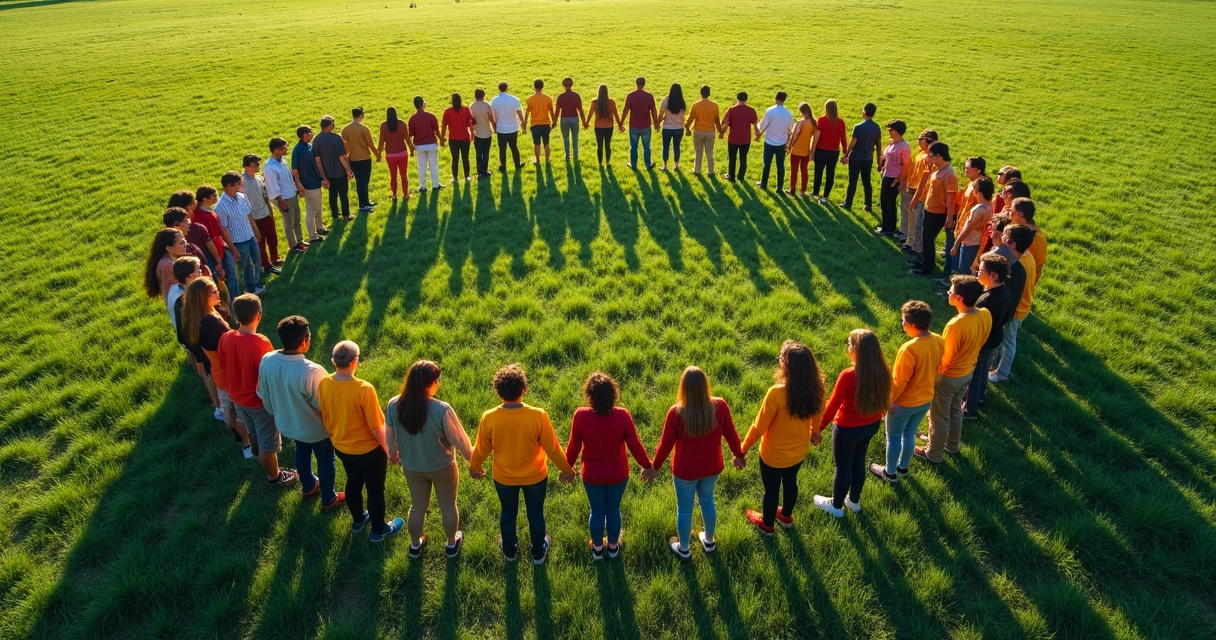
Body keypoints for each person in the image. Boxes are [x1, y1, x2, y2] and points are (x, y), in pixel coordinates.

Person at [469, 364, 575, 565]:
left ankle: (509, 551)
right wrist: (567, 470)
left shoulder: (489, 417)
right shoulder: (538, 416)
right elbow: (552, 448)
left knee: (508, 513)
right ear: (524, 389)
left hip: (503, 478)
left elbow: (481, 448)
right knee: (536, 514)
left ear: (497, 391)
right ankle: (538, 552)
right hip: (535, 476)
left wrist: (475, 466)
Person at [649, 366, 744, 559]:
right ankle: (709, 541)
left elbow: (665, 445)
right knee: (707, 501)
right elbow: (732, 435)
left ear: (683, 388)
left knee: (684, 509)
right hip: (711, 468)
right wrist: (738, 455)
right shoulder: (720, 406)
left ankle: (684, 549)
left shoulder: (676, 412)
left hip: (685, 471)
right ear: (705, 386)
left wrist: (654, 467)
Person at [385, 361, 474, 559]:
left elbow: (389, 437)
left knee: (417, 507)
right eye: (437, 381)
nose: (439, 384)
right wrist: (473, 463)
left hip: (412, 467)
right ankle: (451, 545)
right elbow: (461, 441)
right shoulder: (441, 410)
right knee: (448, 506)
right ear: (430, 384)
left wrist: (392, 453)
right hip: (442, 467)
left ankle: (415, 546)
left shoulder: (393, 404)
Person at [319, 340, 404, 543]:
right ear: (355, 361)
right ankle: (379, 530)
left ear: (333, 361)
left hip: (340, 445)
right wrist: (390, 451)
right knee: (375, 488)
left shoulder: (324, 382)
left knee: (353, 481)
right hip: (367, 451)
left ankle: (358, 521)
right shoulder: (364, 389)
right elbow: (376, 427)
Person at [258, 315, 346, 509]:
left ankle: (308, 486)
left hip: (288, 424)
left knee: (302, 451)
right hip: (316, 429)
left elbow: (262, 391)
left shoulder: (267, 359)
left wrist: (274, 412)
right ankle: (329, 498)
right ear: (305, 340)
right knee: (325, 459)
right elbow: (324, 406)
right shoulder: (313, 371)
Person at [564, 372, 652, 559]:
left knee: (596, 511)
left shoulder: (580, 416)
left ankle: (597, 549)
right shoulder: (622, 416)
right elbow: (635, 445)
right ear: (614, 395)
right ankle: (613, 548)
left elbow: (573, 447)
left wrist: (567, 469)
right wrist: (648, 465)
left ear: (589, 396)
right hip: (618, 475)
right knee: (613, 510)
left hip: (592, 476)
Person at [741, 340, 826, 534]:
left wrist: (742, 449)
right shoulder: (818, 388)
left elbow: (758, 427)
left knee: (771, 491)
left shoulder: (777, 393)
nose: (779, 361)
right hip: (799, 452)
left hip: (773, 456)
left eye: (781, 358)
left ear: (787, 366)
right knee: (791, 483)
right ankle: (786, 516)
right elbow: (819, 414)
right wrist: (815, 433)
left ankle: (767, 525)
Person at [217, 294, 298, 486]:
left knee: (253, 429)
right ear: (259, 315)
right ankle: (275, 477)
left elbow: (223, 364)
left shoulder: (226, 337)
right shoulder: (260, 342)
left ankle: (256, 447)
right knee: (269, 445)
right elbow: (269, 372)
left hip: (237, 397)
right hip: (258, 402)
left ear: (236, 316)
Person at [812, 330, 891, 518]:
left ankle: (836, 507)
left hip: (847, 430)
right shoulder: (884, 371)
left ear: (857, 350)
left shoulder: (849, 375)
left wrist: (816, 430)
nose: (847, 349)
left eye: (849, 345)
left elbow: (832, 407)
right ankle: (854, 501)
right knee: (858, 462)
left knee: (843, 467)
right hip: (871, 425)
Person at [914, 276, 992, 463]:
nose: (948, 293)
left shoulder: (956, 325)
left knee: (938, 417)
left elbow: (946, 360)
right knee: (956, 409)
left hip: (948, 378)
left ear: (959, 298)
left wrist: (932, 375)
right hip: (968, 373)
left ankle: (933, 453)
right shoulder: (985, 314)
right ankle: (951, 444)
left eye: (950, 292)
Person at [869, 301, 944, 483]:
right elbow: (939, 368)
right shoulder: (938, 339)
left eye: (903, 321)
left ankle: (890, 473)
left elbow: (899, 382)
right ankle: (903, 468)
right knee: (909, 434)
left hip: (903, 403)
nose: (901, 324)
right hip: (925, 400)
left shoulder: (909, 349)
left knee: (894, 437)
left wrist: (887, 403)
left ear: (912, 325)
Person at [180, 277, 253, 458]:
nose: (217, 292)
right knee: (240, 413)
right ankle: (247, 445)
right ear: (202, 297)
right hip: (228, 372)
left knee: (228, 408)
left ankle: (240, 436)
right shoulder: (213, 324)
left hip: (217, 371)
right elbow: (226, 351)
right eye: (213, 291)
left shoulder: (197, 318)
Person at [990, 224, 1038, 383]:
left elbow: (1013, 293)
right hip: (1022, 306)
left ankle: (1002, 373)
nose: (1001, 237)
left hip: (1017, 309)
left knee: (1009, 341)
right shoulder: (1027, 256)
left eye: (1004, 235)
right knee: (1005, 338)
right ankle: (996, 364)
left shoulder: (1018, 266)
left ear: (1013, 244)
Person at [965, 255, 1011, 418]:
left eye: (982, 269)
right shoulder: (1003, 290)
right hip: (995, 337)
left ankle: (970, 409)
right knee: (984, 368)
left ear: (993, 275)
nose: (978, 270)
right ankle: (980, 397)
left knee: (975, 374)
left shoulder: (987, 300)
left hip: (984, 341)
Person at [909, 142, 957, 277]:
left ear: (939, 156)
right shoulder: (936, 170)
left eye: (931, 156)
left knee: (928, 239)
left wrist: (949, 218)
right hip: (929, 209)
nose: (929, 159)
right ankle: (924, 261)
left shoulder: (950, 175)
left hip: (938, 213)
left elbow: (950, 200)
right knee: (925, 238)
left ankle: (927, 268)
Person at [937, 157, 987, 281]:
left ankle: (958, 286)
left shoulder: (981, 186)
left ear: (977, 170)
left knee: (963, 262)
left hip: (970, 231)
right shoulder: (972, 183)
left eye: (967, 168)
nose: (965, 170)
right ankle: (950, 280)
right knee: (956, 256)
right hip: (961, 224)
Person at [215, 172, 265, 295]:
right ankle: (250, 289)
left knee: (257, 261)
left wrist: (256, 231)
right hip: (238, 241)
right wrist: (232, 248)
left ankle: (257, 284)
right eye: (238, 183)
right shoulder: (221, 206)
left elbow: (249, 215)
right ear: (228, 185)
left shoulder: (242, 197)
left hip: (250, 236)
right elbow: (224, 229)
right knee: (246, 266)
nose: (241, 185)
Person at [193, 185, 240, 300]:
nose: (216, 197)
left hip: (221, 246)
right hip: (212, 251)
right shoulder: (199, 216)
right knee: (219, 278)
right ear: (204, 199)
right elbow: (207, 238)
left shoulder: (210, 210)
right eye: (213, 195)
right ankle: (226, 301)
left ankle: (235, 298)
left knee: (231, 274)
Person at [171, 189, 225, 287]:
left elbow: (209, 242)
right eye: (192, 203)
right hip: (192, 271)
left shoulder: (196, 225)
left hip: (206, 263)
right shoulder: (177, 233)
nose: (195, 204)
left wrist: (218, 261)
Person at [240, 154, 282, 275]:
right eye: (256, 164)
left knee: (273, 238)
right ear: (248, 165)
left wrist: (270, 209)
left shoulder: (258, 178)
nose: (259, 166)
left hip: (266, 213)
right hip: (254, 216)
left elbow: (265, 195)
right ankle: (266, 265)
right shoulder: (242, 183)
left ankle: (275, 258)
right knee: (260, 242)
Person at [264, 137, 306, 253]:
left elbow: (288, 178)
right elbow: (273, 187)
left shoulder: (282, 160)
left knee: (296, 219)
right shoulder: (270, 168)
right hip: (284, 198)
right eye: (284, 147)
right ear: (277, 150)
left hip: (291, 194)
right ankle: (293, 245)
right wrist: (281, 201)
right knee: (289, 221)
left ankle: (299, 240)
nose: (286, 149)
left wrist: (296, 188)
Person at [899, 130, 938, 255]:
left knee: (918, 220)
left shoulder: (930, 158)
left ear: (928, 140)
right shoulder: (920, 154)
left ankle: (916, 245)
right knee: (911, 217)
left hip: (920, 192)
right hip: (911, 188)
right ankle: (910, 241)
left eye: (921, 138)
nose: (918, 140)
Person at [313, 115, 355, 222]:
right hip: (339, 172)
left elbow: (317, 160)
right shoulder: (336, 138)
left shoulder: (316, 140)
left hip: (327, 174)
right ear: (330, 125)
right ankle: (346, 215)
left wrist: (323, 176)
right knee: (343, 195)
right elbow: (342, 156)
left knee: (332, 196)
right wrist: (348, 170)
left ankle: (335, 216)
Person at [950, 176, 994, 277]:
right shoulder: (989, 206)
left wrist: (956, 244)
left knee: (964, 274)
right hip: (976, 244)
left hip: (970, 245)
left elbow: (967, 228)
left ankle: (961, 292)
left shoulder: (979, 209)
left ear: (978, 192)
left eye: (974, 189)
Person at [841, 102, 882, 212]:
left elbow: (852, 144)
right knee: (867, 182)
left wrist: (846, 155)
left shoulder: (858, 127)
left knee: (852, 182)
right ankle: (868, 204)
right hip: (868, 158)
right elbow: (878, 145)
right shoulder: (877, 127)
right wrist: (879, 161)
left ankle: (848, 203)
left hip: (855, 158)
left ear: (864, 112)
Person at [291, 125, 329, 243]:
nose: (312, 134)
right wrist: (299, 185)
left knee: (317, 207)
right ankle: (313, 236)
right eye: (310, 132)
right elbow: (295, 170)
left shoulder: (308, 146)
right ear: (304, 135)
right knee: (311, 210)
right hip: (308, 184)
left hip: (315, 182)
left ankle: (320, 227)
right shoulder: (298, 150)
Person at [342, 107, 379, 213]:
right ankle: (363, 204)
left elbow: (344, 146)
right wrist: (377, 154)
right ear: (362, 115)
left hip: (352, 159)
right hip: (364, 158)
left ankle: (365, 202)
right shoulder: (364, 128)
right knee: (364, 182)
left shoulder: (345, 129)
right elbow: (371, 145)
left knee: (359, 181)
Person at [160, 208, 214, 281]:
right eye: (186, 220)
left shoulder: (185, 245)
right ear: (177, 225)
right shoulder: (172, 262)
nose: (189, 222)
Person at [876, 120, 910, 234]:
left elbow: (906, 164)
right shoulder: (891, 143)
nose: (889, 132)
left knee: (889, 202)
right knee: (884, 201)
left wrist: (900, 180)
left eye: (891, 130)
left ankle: (889, 228)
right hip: (886, 175)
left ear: (897, 131)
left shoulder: (904, 147)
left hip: (894, 178)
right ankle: (886, 226)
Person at [755, 91, 794, 191]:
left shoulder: (770, 111)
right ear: (784, 100)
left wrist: (758, 132)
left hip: (769, 142)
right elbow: (790, 130)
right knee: (780, 165)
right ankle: (780, 187)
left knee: (766, 164)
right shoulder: (788, 114)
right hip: (782, 143)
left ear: (775, 98)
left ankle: (763, 183)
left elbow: (762, 126)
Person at [812, 99, 848, 202]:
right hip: (834, 152)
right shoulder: (841, 122)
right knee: (830, 173)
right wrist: (845, 152)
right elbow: (843, 138)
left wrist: (813, 150)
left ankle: (815, 193)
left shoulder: (822, 120)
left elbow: (817, 136)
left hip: (821, 150)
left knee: (818, 172)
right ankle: (825, 196)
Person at [621, 77, 659, 170]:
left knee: (633, 146)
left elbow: (625, 110)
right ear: (644, 84)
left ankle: (633, 164)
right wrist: (656, 124)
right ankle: (648, 164)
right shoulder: (649, 96)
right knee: (647, 146)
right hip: (646, 125)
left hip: (634, 125)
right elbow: (653, 111)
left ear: (636, 83)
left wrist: (620, 122)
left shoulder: (630, 95)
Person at [719, 92, 758, 182]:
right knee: (743, 158)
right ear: (746, 99)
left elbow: (726, 123)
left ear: (737, 98)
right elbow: (755, 124)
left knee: (732, 158)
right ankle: (741, 176)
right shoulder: (751, 110)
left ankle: (731, 176)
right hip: (745, 139)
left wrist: (721, 133)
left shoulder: (731, 110)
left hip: (733, 139)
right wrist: (757, 134)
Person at [685, 85, 721, 176]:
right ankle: (711, 171)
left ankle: (697, 170)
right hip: (710, 131)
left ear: (700, 93)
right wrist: (720, 131)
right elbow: (717, 120)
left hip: (698, 131)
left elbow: (691, 119)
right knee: (709, 152)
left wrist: (687, 128)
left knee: (698, 151)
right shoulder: (715, 105)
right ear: (709, 94)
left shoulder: (696, 105)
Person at [409, 96, 442, 192]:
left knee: (421, 166)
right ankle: (436, 184)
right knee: (434, 165)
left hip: (419, 145)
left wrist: (411, 148)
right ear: (423, 104)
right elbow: (436, 131)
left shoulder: (412, 118)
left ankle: (422, 186)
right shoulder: (431, 116)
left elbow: (410, 134)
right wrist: (441, 140)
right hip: (431, 144)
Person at [143, 229, 187, 302]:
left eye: (185, 240)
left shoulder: (168, 260)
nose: (186, 244)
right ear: (169, 248)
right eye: (181, 243)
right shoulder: (169, 266)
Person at [377, 107, 411, 199]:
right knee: (404, 175)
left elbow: (381, 141)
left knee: (393, 175)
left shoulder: (383, 125)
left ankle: (394, 195)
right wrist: (411, 149)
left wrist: (378, 154)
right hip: (402, 153)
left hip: (390, 155)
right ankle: (406, 194)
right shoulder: (402, 123)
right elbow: (407, 138)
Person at [1010, 197, 1047, 282]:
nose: (1009, 213)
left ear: (1020, 214)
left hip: (1022, 279)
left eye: (1011, 211)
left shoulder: (1038, 238)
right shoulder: (1014, 228)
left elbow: (1039, 265)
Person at [490, 82, 525, 171]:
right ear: (507, 88)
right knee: (514, 147)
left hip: (501, 129)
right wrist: (522, 123)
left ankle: (503, 166)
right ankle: (517, 164)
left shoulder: (494, 101)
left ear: (498, 88)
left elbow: (492, 116)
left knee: (502, 149)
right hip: (513, 128)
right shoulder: (514, 99)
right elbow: (519, 113)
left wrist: (494, 127)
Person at [785, 103, 818, 196]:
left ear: (802, 112)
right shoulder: (814, 123)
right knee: (804, 171)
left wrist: (789, 146)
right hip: (806, 151)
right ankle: (803, 190)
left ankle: (792, 189)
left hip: (796, 150)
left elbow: (795, 136)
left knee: (794, 171)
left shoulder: (800, 123)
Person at [441, 93, 475, 183]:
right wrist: (472, 134)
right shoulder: (466, 109)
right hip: (464, 138)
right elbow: (470, 124)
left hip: (453, 139)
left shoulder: (447, 111)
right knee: (465, 158)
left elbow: (444, 125)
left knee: (455, 159)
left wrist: (442, 137)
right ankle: (467, 176)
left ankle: (455, 178)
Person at [587, 84, 621, 167]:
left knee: (599, 146)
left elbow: (590, 114)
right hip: (609, 126)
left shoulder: (594, 102)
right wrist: (620, 125)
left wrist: (586, 123)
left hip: (598, 127)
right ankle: (608, 162)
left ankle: (600, 163)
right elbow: (616, 114)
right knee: (607, 145)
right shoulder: (611, 102)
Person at [555, 77, 586, 161]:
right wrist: (584, 122)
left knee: (565, 137)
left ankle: (567, 154)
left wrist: (554, 121)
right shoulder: (576, 95)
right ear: (572, 84)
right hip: (574, 118)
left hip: (564, 118)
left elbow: (557, 110)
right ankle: (576, 153)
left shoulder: (561, 96)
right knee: (575, 136)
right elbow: (580, 109)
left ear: (563, 85)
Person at [525, 78, 555, 164]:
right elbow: (552, 112)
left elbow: (527, 112)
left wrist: (525, 122)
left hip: (535, 124)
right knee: (546, 143)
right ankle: (547, 160)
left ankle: (538, 160)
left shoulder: (530, 99)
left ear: (534, 87)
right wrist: (554, 122)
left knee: (536, 143)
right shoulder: (548, 98)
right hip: (546, 124)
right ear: (542, 86)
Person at [658, 83, 686, 171]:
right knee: (676, 146)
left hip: (667, 128)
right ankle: (676, 165)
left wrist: (659, 121)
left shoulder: (665, 101)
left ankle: (665, 166)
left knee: (666, 146)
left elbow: (661, 114)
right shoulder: (682, 102)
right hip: (679, 128)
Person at [469, 89, 495, 177]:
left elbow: (471, 121)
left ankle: (479, 171)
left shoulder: (471, 106)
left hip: (477, 133)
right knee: (486, 153)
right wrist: (494, 128)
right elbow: (491, 119)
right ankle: (485, 170)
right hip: (487, 132)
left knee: (478, 154)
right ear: (483, 96)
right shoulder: (486, 105)